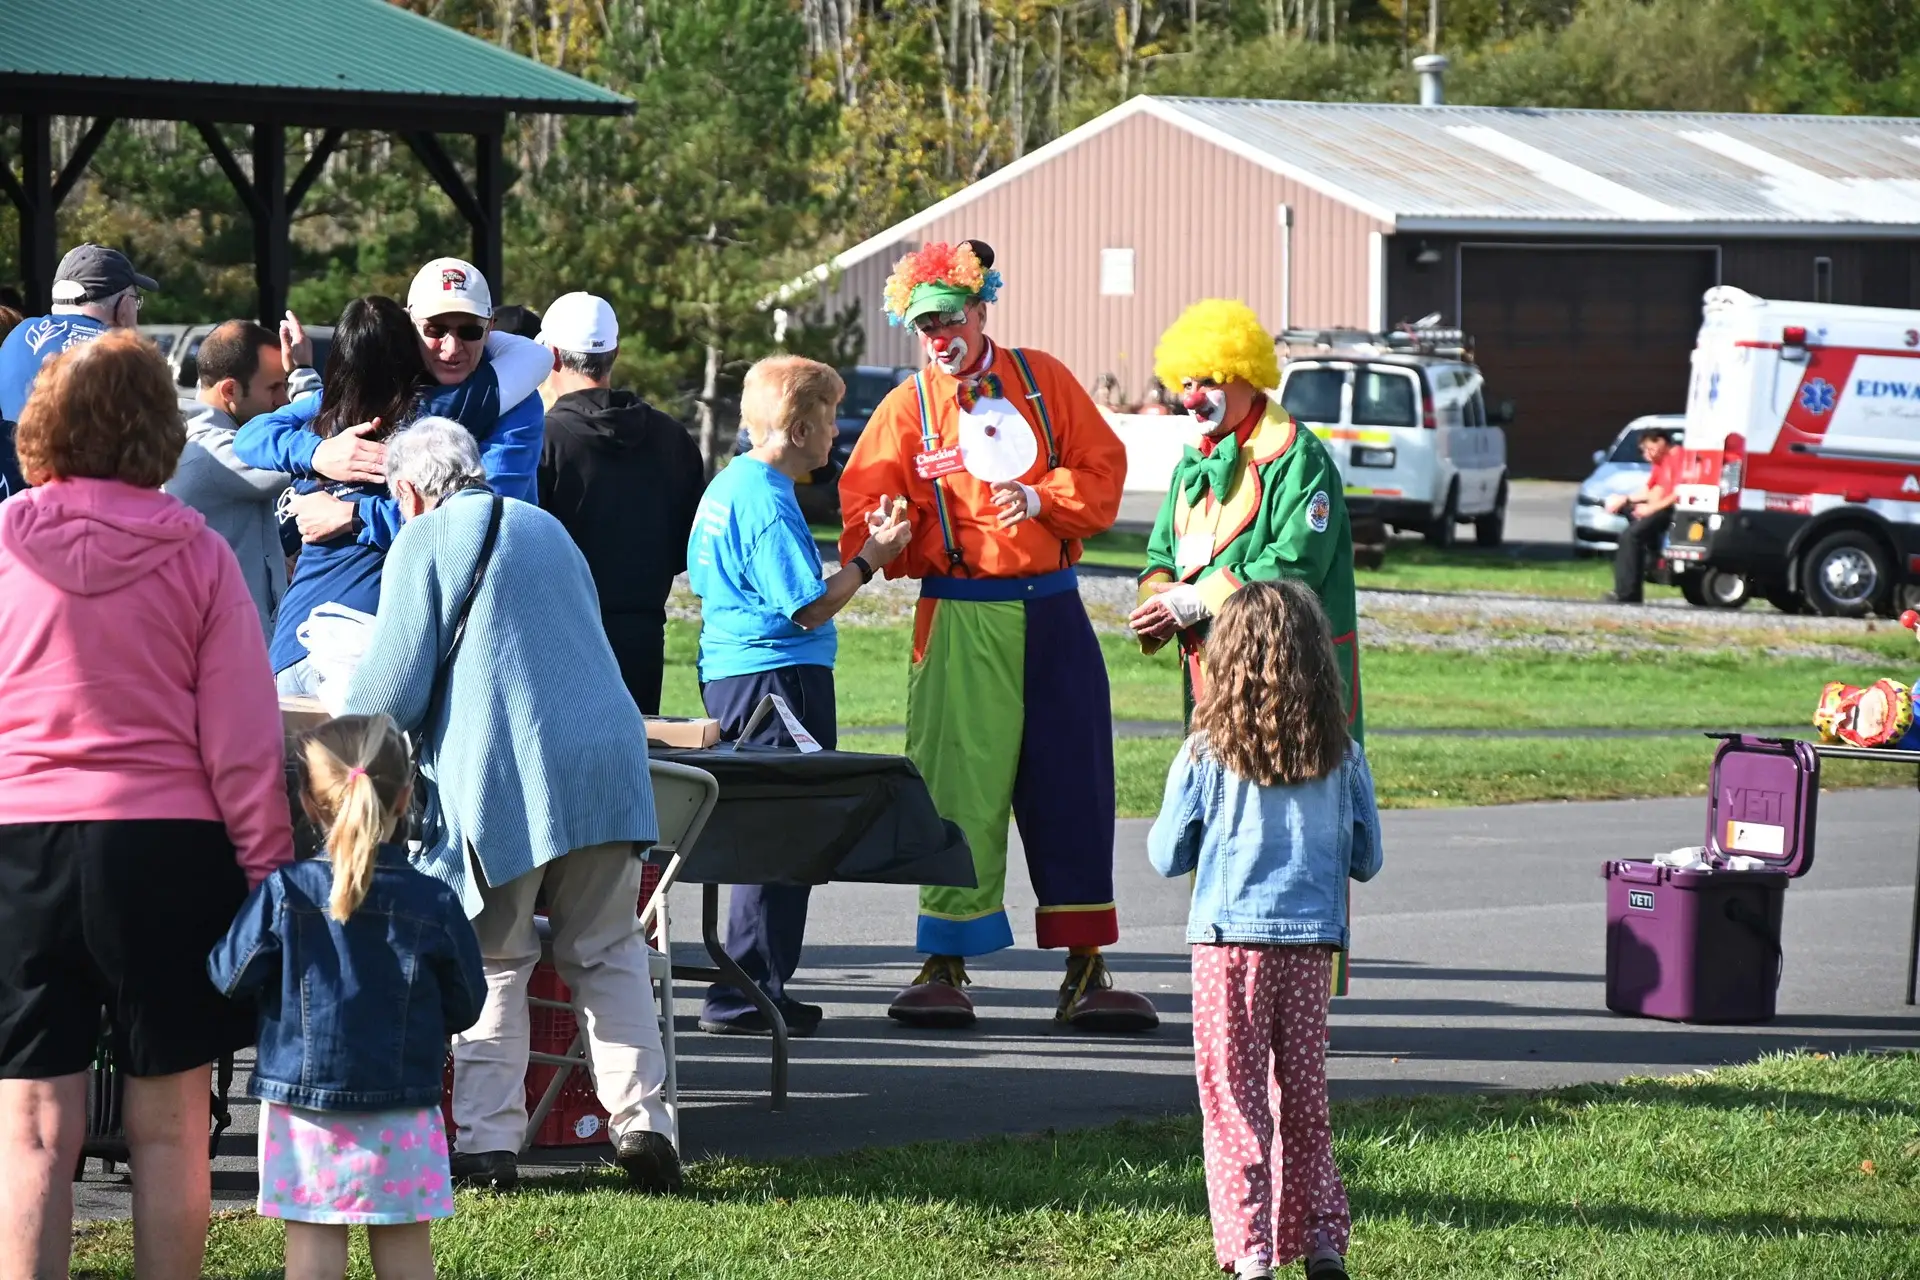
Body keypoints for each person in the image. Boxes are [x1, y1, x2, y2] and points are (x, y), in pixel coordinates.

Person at [0, 330, 292, 1280]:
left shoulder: (4, 547)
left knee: (35, 1131)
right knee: (171, 1126)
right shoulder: (199, 555)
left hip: (25, 843)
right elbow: (244, 744)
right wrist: (266, 871)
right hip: (169, 847)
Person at [343, 419, 675, 1195]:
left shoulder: (422, 541)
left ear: (407, 489)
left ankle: (489, 1144)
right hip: (607, 764)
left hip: (507, 773)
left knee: (497, 959)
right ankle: (646, 1125)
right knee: (610, 951)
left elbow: (385, 698)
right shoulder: (546, 526)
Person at [837, 239, 1156, 1032]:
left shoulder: (1044, 381)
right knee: (956, 788)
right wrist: (884, 531)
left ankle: (1087, 965)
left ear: (982, 310)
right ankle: (945, 959)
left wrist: (1042, 499)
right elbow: (869, 510)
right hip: (960, 613)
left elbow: (1103, 469)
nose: (938, 336)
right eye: (923, 324)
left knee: (1073, 783)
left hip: (1054, 609)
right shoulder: (908, 407)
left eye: (948, 317)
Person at [1147, 580, 1382, 1280]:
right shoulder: (1342, 757)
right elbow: (1367, 859)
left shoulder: (1205, 755)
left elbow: (1166, 855)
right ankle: (1321, 1241)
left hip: (1230, 949)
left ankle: (1251, 1254)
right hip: (1310, 946)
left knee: (1235, 1104)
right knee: (1304, 1101)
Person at [1130, 298, 1364, 996]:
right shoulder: (1193, 462)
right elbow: (1160, 552)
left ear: (1247, 376)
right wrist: (1157, 601)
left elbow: (1296, 562)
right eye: (1185, 382)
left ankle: (1305, 993)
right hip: (1213, 674)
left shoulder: (1300, 459)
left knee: (1299, 825)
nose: (1192, 396)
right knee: (1221, 813)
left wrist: (1197, 598)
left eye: (1208, 380)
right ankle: (1228, 977)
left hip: (1294, 676)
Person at [208, 714, 484, 1280]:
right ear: (407, 795)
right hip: (405, 1101)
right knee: (406, 1246)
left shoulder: (285, 893)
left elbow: (228, 977)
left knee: (312, 1247)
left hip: (304, 1108)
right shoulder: (432, 901)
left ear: (309, 801)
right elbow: (468, 1002)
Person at [688, 356, 911, 1036]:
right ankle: (747, 993)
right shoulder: (765, 501)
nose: (838, 435)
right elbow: (807, 608)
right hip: (776, 678)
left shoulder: (731, 483)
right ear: (802, 425)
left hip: (736, 670)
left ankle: (759, 986)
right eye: (832, 420)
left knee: (769, 828)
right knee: (783, 833)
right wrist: (874, 556)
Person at [237, 291, 547, 695]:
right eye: (434, 331)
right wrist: (320, 456)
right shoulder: (438, 415)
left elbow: (251, 436)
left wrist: (345, 502)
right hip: (360, 654)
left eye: (468, 331)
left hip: (295, 651)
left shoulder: (331, 414)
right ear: (410, 343)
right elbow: (536, 357)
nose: (451, 347)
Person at [537, 291, 704, 714]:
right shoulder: (672, 437)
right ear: (615, 353)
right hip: (643, 640)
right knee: (632, 771)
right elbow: (687, 546)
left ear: (551, 356)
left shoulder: (542, 441)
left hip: (561, 639)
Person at [165, 315, 321, 633]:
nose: (283, 400)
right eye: (274, 387)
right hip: (230, 652)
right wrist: (303, 375)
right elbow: (316, 449)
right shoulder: (212, 450)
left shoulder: (195, 436)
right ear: (231, 390)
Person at [0, 244, 156, 500]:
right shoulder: (127, 357)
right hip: (92, 507)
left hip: (15, 508)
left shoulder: (17, 335)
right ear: (124, 306)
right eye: (135, 300)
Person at [1603, 428, 1681, 605]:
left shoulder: (1678, 457)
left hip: (1671, 509)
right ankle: (1635, 580)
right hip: (1657, 508)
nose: (1646, 453)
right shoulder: (1661, 462)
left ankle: (1627, 593)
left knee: (1631, 537)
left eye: (1648, 448)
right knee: (1629, 536)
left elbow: (1679, 492)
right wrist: (1625, 499)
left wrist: (1651, 508)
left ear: (1660, 442)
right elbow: (1651, 489)